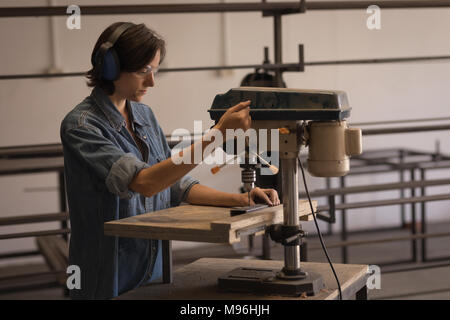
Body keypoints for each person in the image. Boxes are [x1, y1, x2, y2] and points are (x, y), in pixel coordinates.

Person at [60, 22, 280, 299]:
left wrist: (241, 200)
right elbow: (146, 183)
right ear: (110, 67)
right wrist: (218, 135)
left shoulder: (143, 115)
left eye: (154, 70)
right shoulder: (81, 126)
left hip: (153, 270)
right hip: (106, 276)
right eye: (143, 71)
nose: (151, 82)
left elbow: (175, 184)